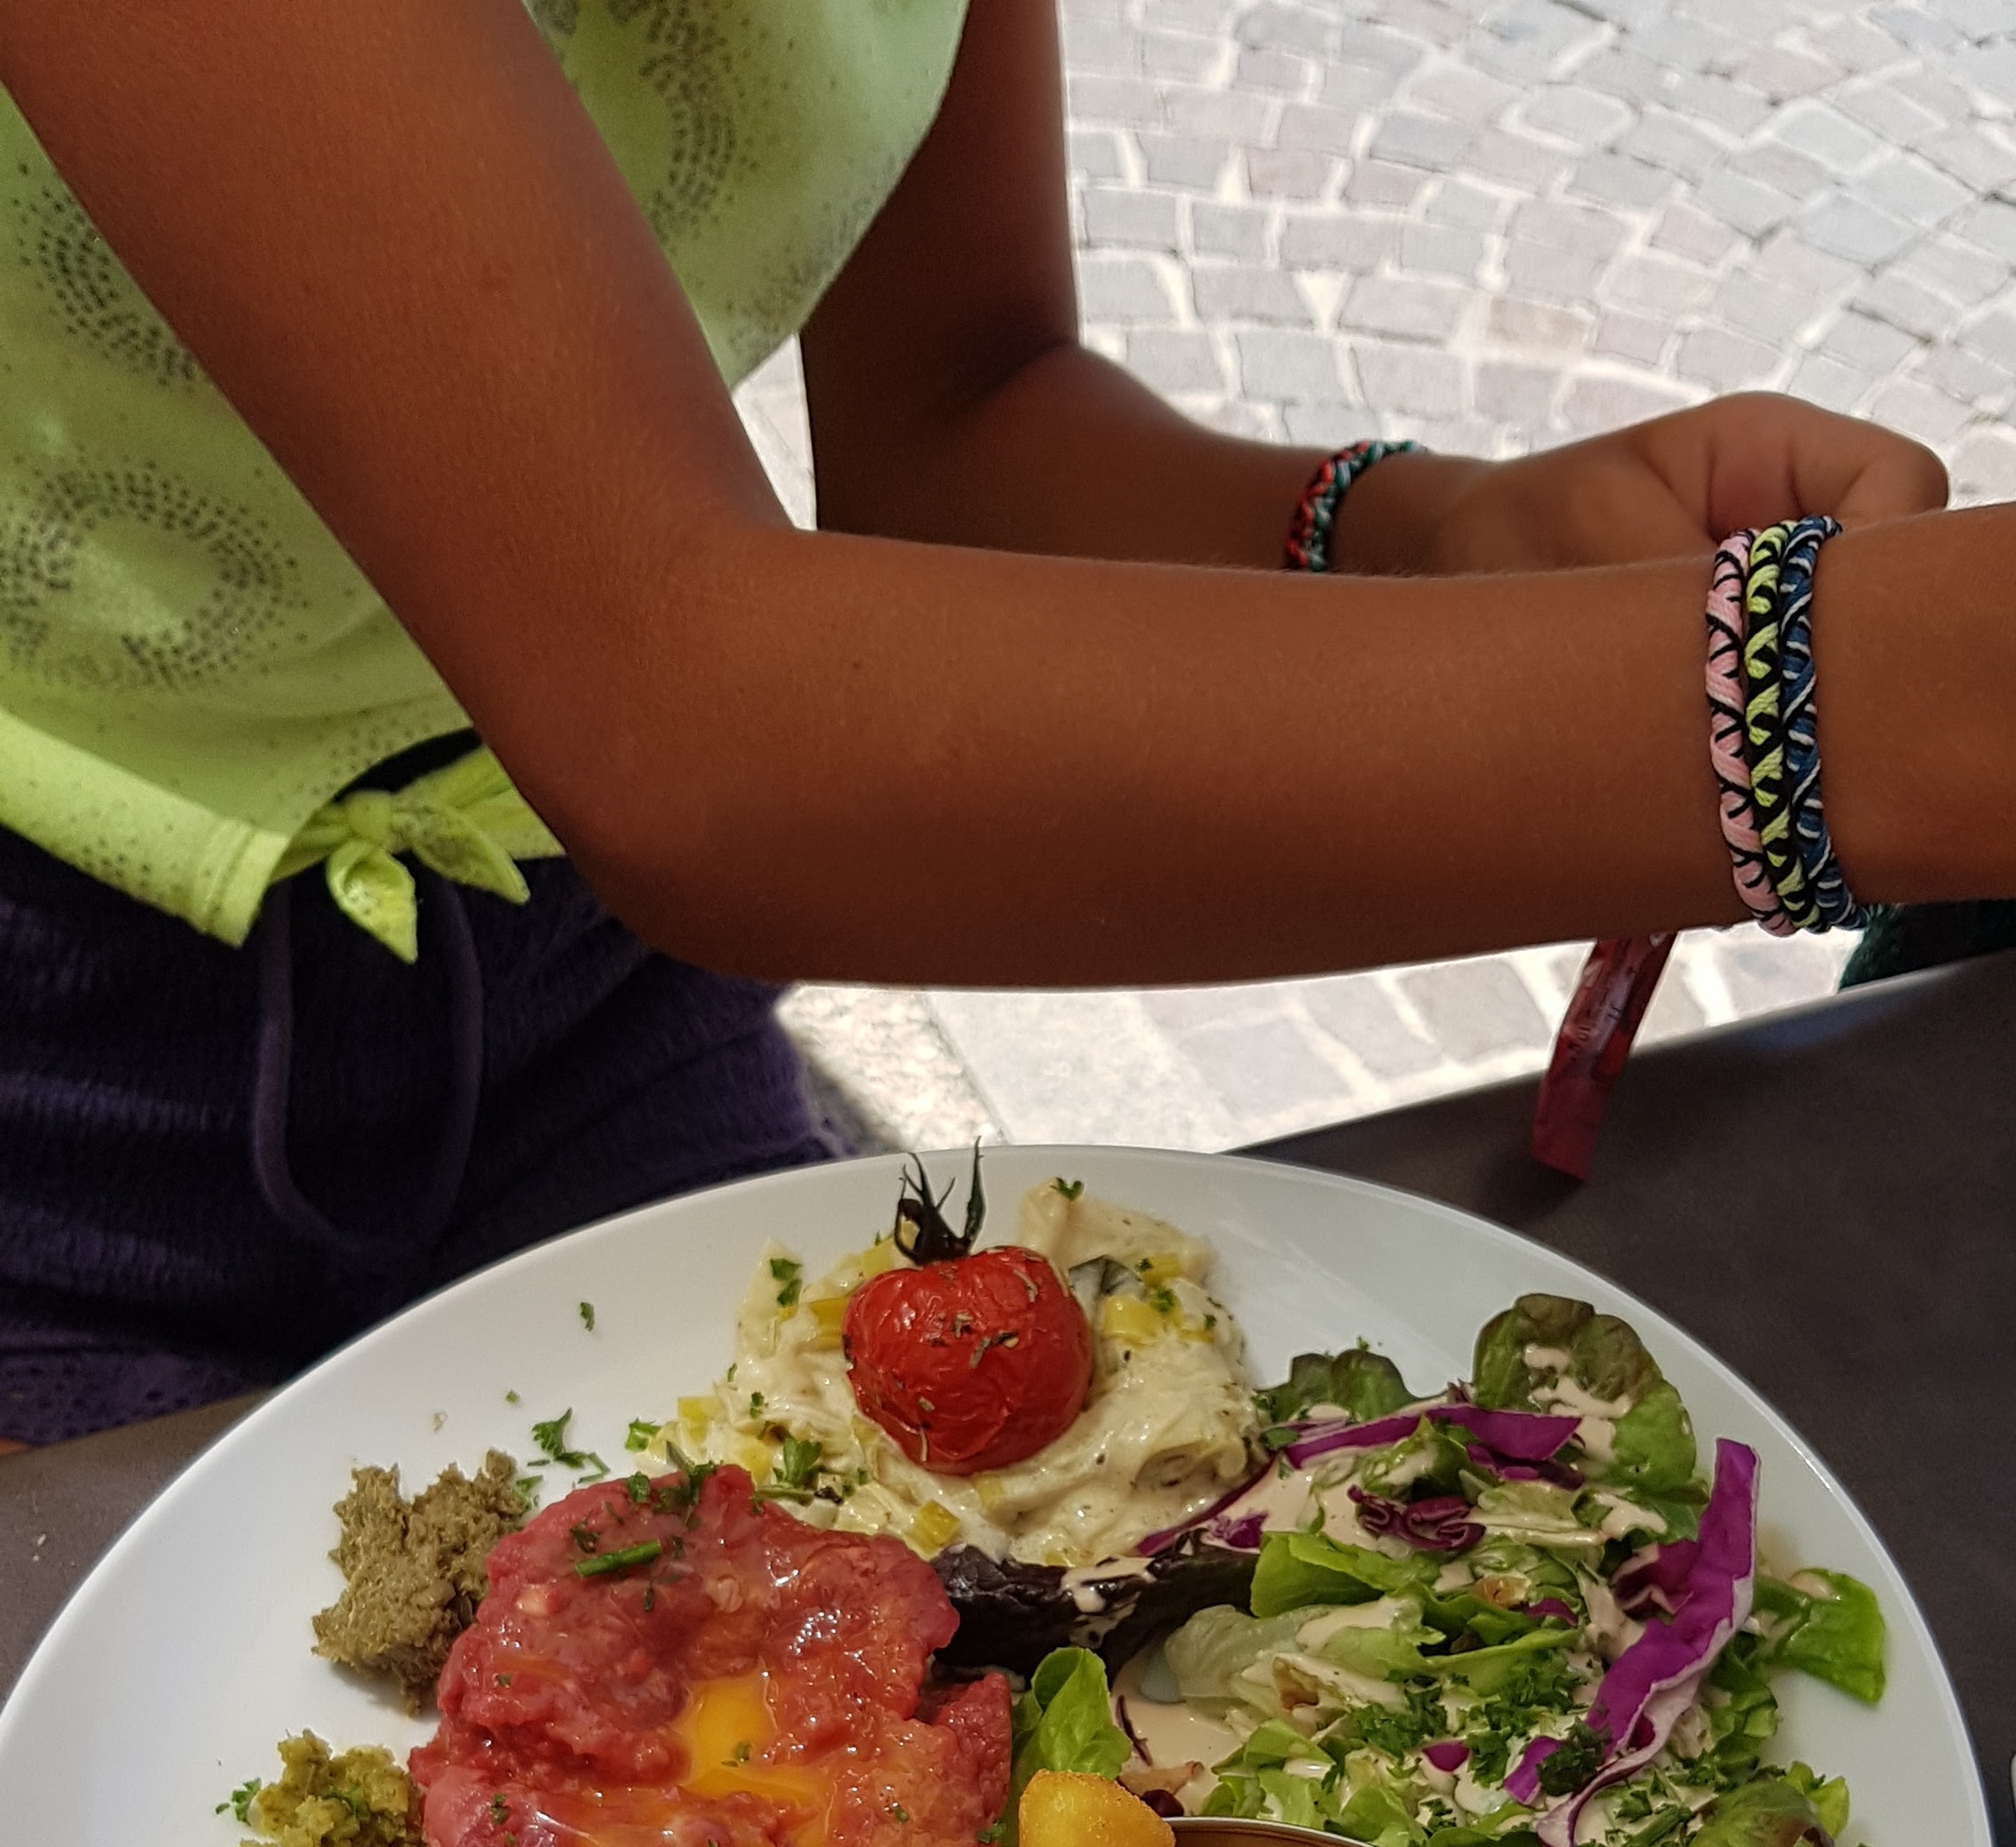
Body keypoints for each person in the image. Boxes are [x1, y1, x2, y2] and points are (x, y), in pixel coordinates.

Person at [0, 0, 1993, 1445]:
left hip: (577, 983)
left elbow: (961, 421)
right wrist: (1822, 705)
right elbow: (689, 732)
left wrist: (1429, 539)